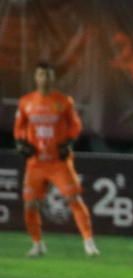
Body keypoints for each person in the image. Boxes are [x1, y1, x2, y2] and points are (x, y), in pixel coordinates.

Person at [14, 62, 99, 258]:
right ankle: (37, 244)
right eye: (41, 75)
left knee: (73, 199)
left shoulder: (63, 102)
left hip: (59, 162)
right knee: (30, 205)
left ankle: (89, 242)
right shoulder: (26, 102)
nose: (45, 79)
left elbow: (75, 126)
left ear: (53, 78)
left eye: (48, 75)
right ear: (36, 77)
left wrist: (67, 142)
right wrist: (21, 143)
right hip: (36, 162)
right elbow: (18, 127)